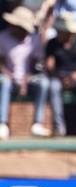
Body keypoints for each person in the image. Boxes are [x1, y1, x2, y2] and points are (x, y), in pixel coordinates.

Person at [0, 6, 50, 139]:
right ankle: (2, 124)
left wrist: (26, 79)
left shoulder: (34, 40)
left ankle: (37, 124)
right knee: (3, 82)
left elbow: (36, 65)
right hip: (8, 78)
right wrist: (9, 76)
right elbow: (1, 63)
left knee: (43, 83)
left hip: (29, 79)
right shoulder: (3, 37)